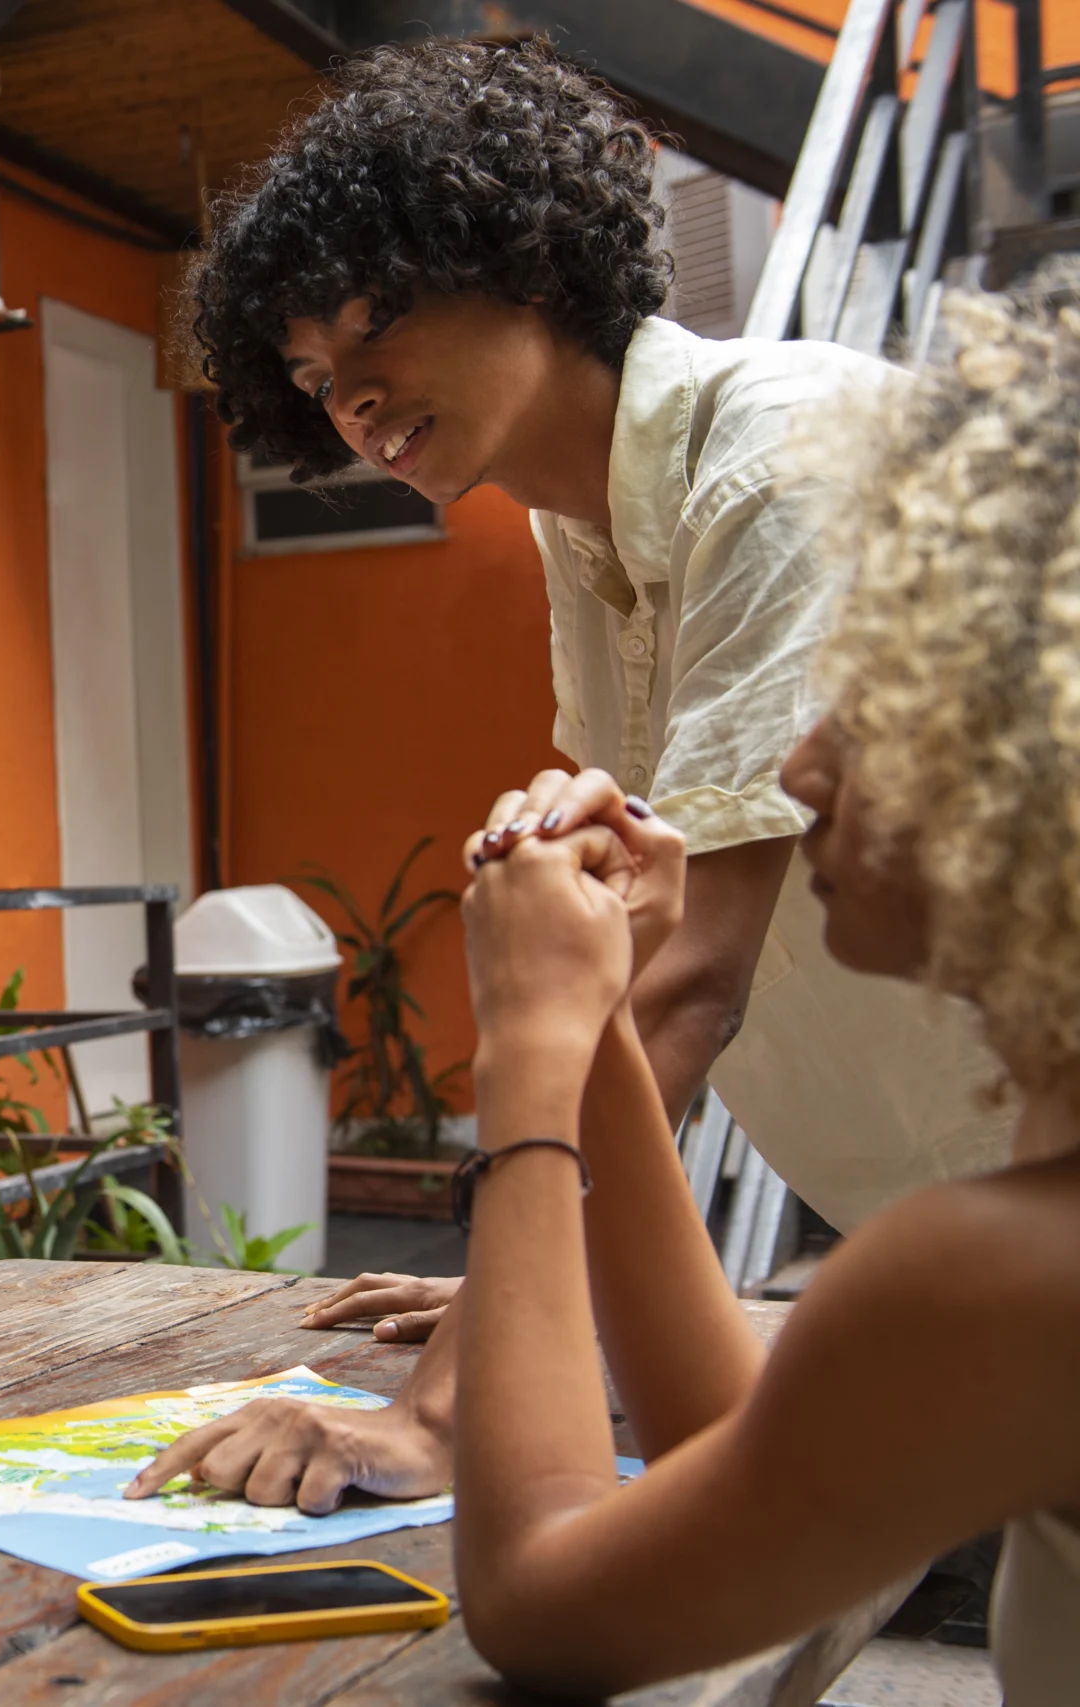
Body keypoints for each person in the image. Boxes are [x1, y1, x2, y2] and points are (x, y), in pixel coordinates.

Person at [160, 35, 1012, 1509]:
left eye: (375, 328)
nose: (349, 399)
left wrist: (447, 1405)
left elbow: (681, 972)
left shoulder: (780, 459)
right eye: (311, 378)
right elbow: (642, 935)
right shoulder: (585, 522)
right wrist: (528, 1285)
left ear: (521, 261)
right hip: (967, 1234)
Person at [279, 291, 1072, 1699]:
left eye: (862, 702)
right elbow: (741, 1470)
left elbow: (548, 1600)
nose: (796, 766)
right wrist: (599, 1034)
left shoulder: (1006, 1266)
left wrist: (533, 1048)